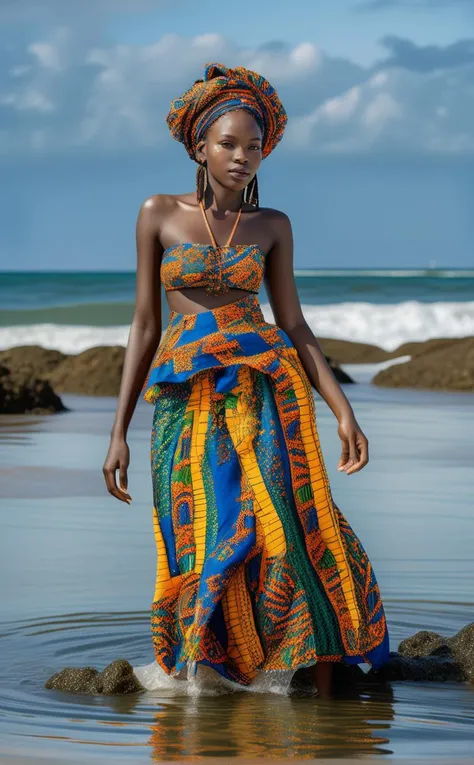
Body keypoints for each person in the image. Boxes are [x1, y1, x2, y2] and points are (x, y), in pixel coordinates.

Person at [102, 62, 390, 698]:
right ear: (199, 147)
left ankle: (311, 663)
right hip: (185, 398)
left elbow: (295, 325)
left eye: (254, 146)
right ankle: (203, 672)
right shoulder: (158, 213)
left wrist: (343, 411)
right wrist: (117, 430)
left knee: (283, 522)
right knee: (199, 528)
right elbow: (145, 325)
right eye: (228, 144)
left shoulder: (272, 226)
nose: (242, 157)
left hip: (266, 393)